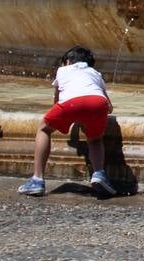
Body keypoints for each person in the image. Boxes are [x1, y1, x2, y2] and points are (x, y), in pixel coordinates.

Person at [18, 46, 117, 197]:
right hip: (98, 102)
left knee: (44, 129)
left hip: (70, 104)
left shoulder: (63, 70)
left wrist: (73, 115)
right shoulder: (95, 73)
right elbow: (109, 107)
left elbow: (58, 101)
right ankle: (99, 174)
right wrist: (88, 116)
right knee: (95, 138)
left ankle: (37, 180)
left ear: (68, 61)